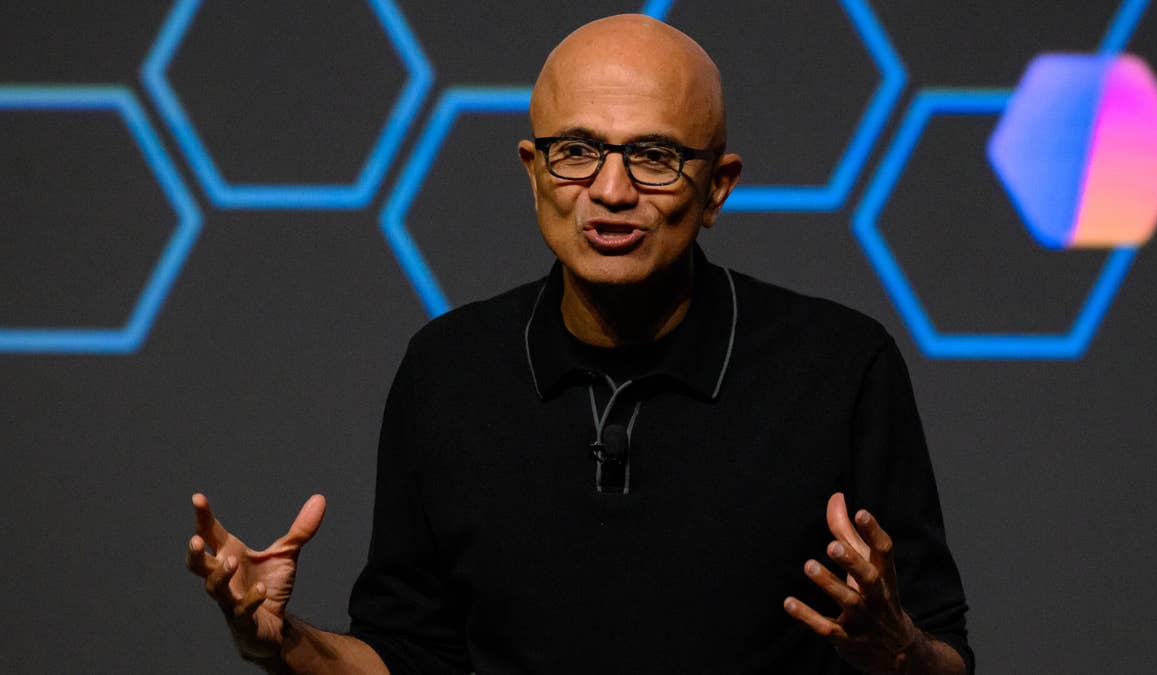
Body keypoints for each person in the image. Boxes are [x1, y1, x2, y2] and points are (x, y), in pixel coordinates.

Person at [185, 14, 972, 674]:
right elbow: (412, 656)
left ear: (717, 188)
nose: (611, 190)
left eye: (655, 157)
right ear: (534, 172)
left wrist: (901, 651)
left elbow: (944, 654)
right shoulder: (447, 372)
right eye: (577, 152)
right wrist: (279, 643)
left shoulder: (841, 368)